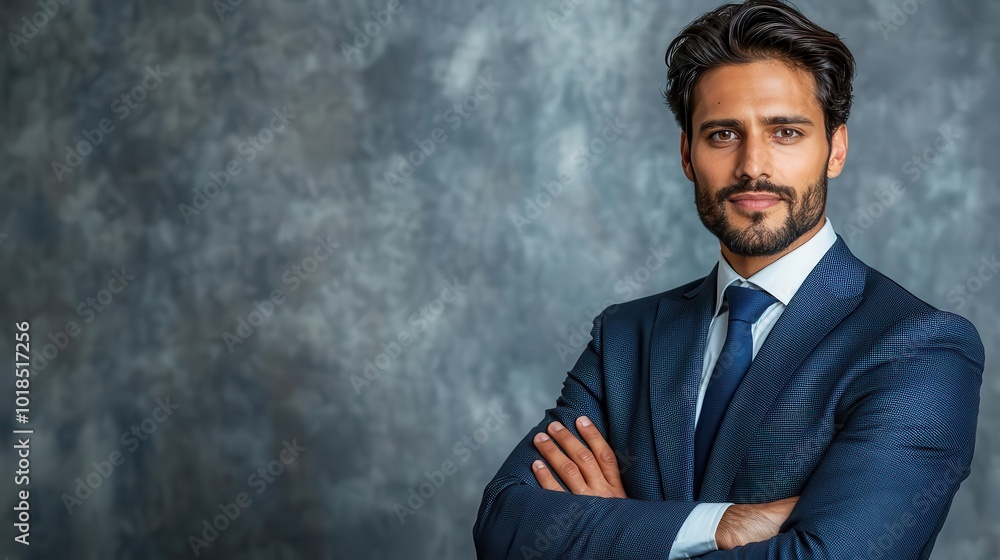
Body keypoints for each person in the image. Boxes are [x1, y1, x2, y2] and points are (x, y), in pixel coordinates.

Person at [472, 1, 985, 558]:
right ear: (687, 154)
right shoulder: (626, 337)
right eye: (721, 134)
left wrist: (624, 532)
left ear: (835, 148)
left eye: (786, 132)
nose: (752, 166)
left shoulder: (920, 347)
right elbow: (504, 524)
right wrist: (723, 526)